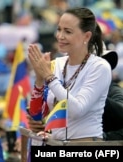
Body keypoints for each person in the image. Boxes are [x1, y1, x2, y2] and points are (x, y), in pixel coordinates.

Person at [27, 7, 112, 141]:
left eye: (68, 31)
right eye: (59, 29)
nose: (60, 36)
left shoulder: (99, 67)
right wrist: (39, 79)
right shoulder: (57, 64)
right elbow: (38, 115)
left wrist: (49, 77)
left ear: (87, 36)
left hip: (84, 146)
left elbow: (77, 110)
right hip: (56, 145)